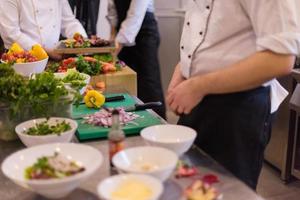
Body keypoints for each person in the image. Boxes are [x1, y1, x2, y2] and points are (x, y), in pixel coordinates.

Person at [167, 0, 300, 190]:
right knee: (192, 187)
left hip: (237, 110)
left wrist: (198, 86)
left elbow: (280, 59)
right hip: (198, 99)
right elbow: (214, 37)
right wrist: (182, 70)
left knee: (227, 192)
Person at [107, 0, 166, 119]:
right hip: (123, 32)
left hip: (145, 32)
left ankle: (157, 125)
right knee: (130, 84)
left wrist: (114, 50)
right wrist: (112, 37)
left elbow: (136, 14)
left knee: (148, 84)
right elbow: (112, 8)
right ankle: (133, 121)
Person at [0, 0, 87, 60]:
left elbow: (69, 22)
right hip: (22, 60)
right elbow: (10, 33)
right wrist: (45, 51)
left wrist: (81, 39)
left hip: (53, 60)